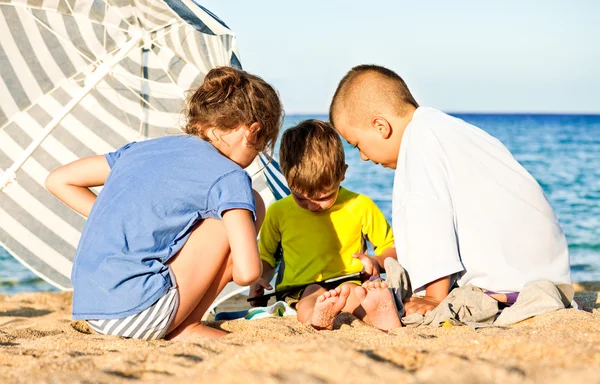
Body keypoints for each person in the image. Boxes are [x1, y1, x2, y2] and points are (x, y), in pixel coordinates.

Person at [325, 64, 571, 330]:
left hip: (509, 286)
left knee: (387, 301)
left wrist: (433, 297)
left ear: (381, 126)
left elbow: (430, 218)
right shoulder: (447, 129)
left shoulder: (418, 143)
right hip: (548, 277)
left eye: (357, 144)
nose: (362, 156)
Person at [45, 67, 284, 340]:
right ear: (252, 132)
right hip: (140, 312)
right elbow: (246, 272)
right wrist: (247, 273)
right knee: (249, 204)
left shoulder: (141, 150)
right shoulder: (229, 175)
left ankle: (177, 322)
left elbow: (59, 180)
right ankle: (188, 324)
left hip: (92, 309)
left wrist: (125, 219)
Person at [248, 119, 396, 330]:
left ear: (342, 174)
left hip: (351, 280)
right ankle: (318, 318)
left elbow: (392, 249)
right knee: (311, 297)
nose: (312, 206)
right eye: (301, 198)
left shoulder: (360, 205)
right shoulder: (278, 212)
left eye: (324, 196)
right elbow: (267, 258)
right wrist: (259, 280)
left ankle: (378, 315)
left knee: (354, 295)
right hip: (301, 287)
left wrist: (376, 261)